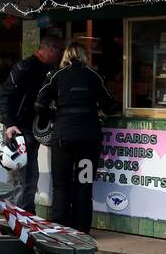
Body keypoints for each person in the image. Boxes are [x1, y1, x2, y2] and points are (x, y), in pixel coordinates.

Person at [35, 41, 118, 232]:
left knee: (61, 186)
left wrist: (55, 114)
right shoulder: (94, 76)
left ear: (66, 55)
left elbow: (39, 104)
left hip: (63, 137)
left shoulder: (56, 75)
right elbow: (110, 106)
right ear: (83, 56)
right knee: (84, 184)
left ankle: (60, 231)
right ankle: (82, 231)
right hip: (88, 139)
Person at [0, 32, 64, 212]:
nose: (61, 54)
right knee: (20, 177)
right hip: (18, 129)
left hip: (32, 129)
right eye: (59, 50)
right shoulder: (24, 67)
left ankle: (25, 215)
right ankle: (15, 219)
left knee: (30, 176)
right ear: (50, 49)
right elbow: (4, 95)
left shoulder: (49, 70)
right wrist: (9, 123)